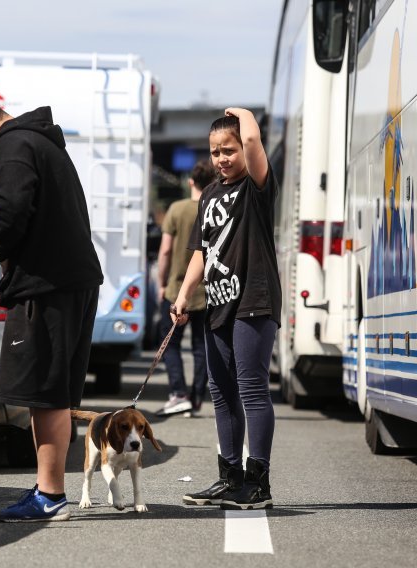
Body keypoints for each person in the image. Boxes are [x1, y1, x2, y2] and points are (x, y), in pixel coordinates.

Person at [0, 97, 103, 522]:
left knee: (43, 392)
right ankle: (47, 489)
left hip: (45, 285)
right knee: (52, 393)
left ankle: (50, 496)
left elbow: (14, 206)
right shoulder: (43, 142)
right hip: (70, 281)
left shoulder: (12, 144)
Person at [171, 107, 281, 510]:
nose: (222, 158)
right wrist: (183, 295)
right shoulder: (210, 195)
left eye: (229, 149)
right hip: (217, 302)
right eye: (215, 151)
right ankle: (229, 477)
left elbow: (253, 141)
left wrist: (246, 115)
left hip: (254, 298)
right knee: (220, 391)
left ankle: (258, 483)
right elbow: (202, 251)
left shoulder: (256, 186)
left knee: (251, 388)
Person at [156, 160, 216, 416]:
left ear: (191, 181)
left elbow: (166, 250)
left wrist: (161, 282)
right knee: (202, 348)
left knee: (169, 342)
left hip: (176, 289)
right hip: (206, 291)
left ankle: (178, 393)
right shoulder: (212, 209)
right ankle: (196, 398)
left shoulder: (177, 210)